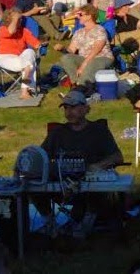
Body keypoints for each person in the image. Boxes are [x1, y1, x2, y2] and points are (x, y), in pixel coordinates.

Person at [40, 90, 125, 235]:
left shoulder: (98, 130)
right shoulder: (58, 132)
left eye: (73, 107)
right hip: (61, 182)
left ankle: (85, 225)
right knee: (31, 188)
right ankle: (50, 223)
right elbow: (41, 156)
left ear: (86, 109)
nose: (69, 112)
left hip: (89, 182)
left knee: (96, 189)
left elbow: (117, 157)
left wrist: (97, 166)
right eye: (66, 108)